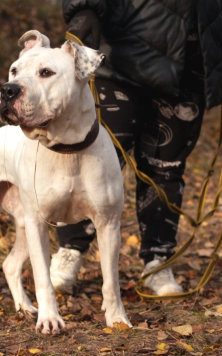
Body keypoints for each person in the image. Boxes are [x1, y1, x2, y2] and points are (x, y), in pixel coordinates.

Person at [50, 0, 222, 296]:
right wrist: (84, 6)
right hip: (123, 55)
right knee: (93, 161)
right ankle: (70, 249)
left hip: (193, 64)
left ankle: (158, 260)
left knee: (165, 169)